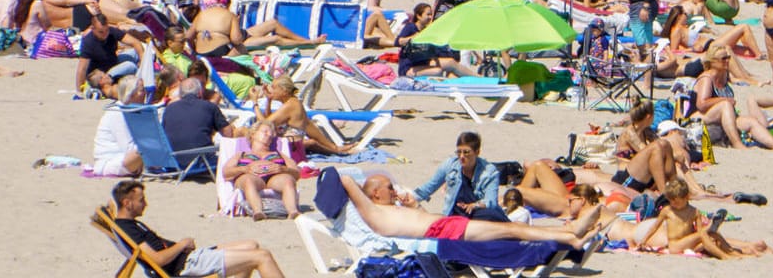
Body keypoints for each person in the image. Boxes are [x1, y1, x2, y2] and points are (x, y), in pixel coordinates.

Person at [339, 172, 601, 248]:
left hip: (444, 225)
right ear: (374, 193)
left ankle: (570, 236)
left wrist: (415, 205)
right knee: (511, 229)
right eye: (389, 187)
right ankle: (570, 234)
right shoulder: (373, 212)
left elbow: (414, 219)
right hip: (444, 231)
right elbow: (347, 179)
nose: (394, 190)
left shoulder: (391, 209)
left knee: (511, 228)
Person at [110, 179, 288, 278]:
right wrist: (182, 244)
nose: (145, 204)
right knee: (262, 257)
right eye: (141, 200)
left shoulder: (126, 224)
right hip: (185, 265)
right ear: (127, 203)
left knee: (252, 244)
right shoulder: (128, 229)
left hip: (188, 258)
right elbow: (157, 260)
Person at [641, 176, 769, 258]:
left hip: (689, 243)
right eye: (671, 201)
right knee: (705, 233)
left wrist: (707, 235)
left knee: (712, 236)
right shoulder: (667, 211)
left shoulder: (694, 212)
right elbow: (654, 227)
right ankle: (726, 256)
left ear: (687, 198)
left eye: (676, 201)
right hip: (676, 245)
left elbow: (699, 232)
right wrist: (644, 241)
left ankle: (740, 253)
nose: (673, 204)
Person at [413, 131, 506, 221]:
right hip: (456, 213)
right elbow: (429, 187)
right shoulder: (450, 165)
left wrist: (474, 205)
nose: (461, 156)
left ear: (477, 152)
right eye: (458, 152)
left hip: (480, 213)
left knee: (491, 215)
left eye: (466, 152)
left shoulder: (489, 172)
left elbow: (491, 201)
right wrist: (409, 197)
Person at [222, 123, 301, 221]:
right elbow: (226, 173)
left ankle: (293, 212)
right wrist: (244, 169)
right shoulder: (241, 154)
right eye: (265, 132)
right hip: (250, 177)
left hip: (274, 179)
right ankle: (257, 212)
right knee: (248, 181)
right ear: (253, 134)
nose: (269, 135)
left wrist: (283, 169)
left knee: (288, 180)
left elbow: (296, 174)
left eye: (271, 134)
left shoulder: (279, 154)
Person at [76, 9, 145, 101]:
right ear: (93, 29)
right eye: (101, 32)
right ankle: (109, 79)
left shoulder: (112, 32)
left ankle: (142, 74)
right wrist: (79, 91)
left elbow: (135, 42)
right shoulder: (88, 42)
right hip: (101, 73)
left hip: (113, 62)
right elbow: (82, 68)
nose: (105, 34)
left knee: (136, 52)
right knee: (130, 66)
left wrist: (142, 61)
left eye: (106, 30)